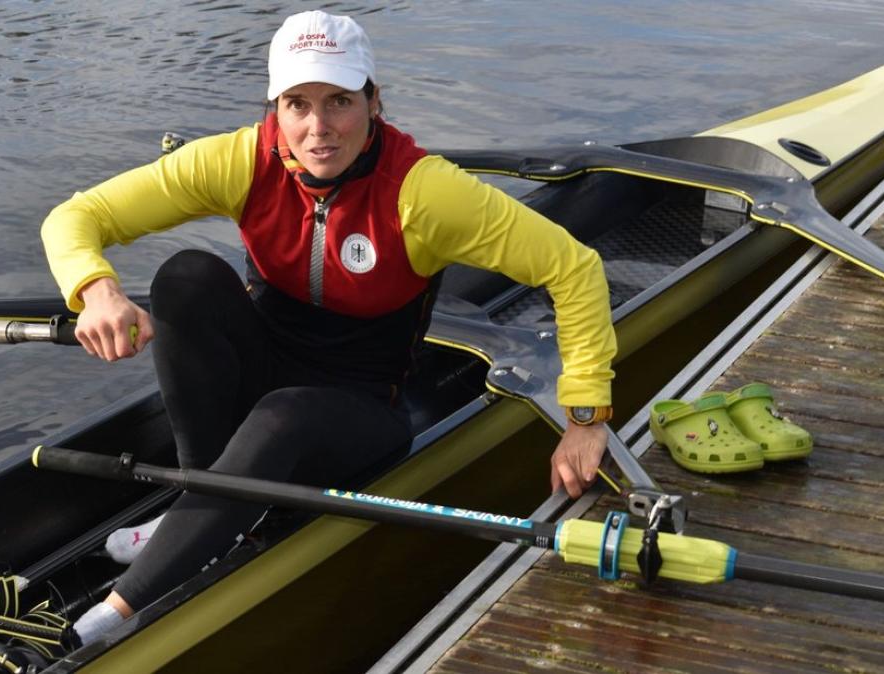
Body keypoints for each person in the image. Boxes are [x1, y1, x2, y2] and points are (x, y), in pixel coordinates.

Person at [41, 9, 617, 645]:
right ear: (275, 108)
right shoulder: (240, 159)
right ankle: (200, 505)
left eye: (340, 101)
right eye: (298, 104)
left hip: (361, 405)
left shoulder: (422, 192)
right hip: (269, 370)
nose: (319, 129)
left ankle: (102, 623)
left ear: (374, 101)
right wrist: (96, 291)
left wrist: (585, 417)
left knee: (285, 415)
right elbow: (77, 216)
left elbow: (574, 268)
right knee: (185, 278)